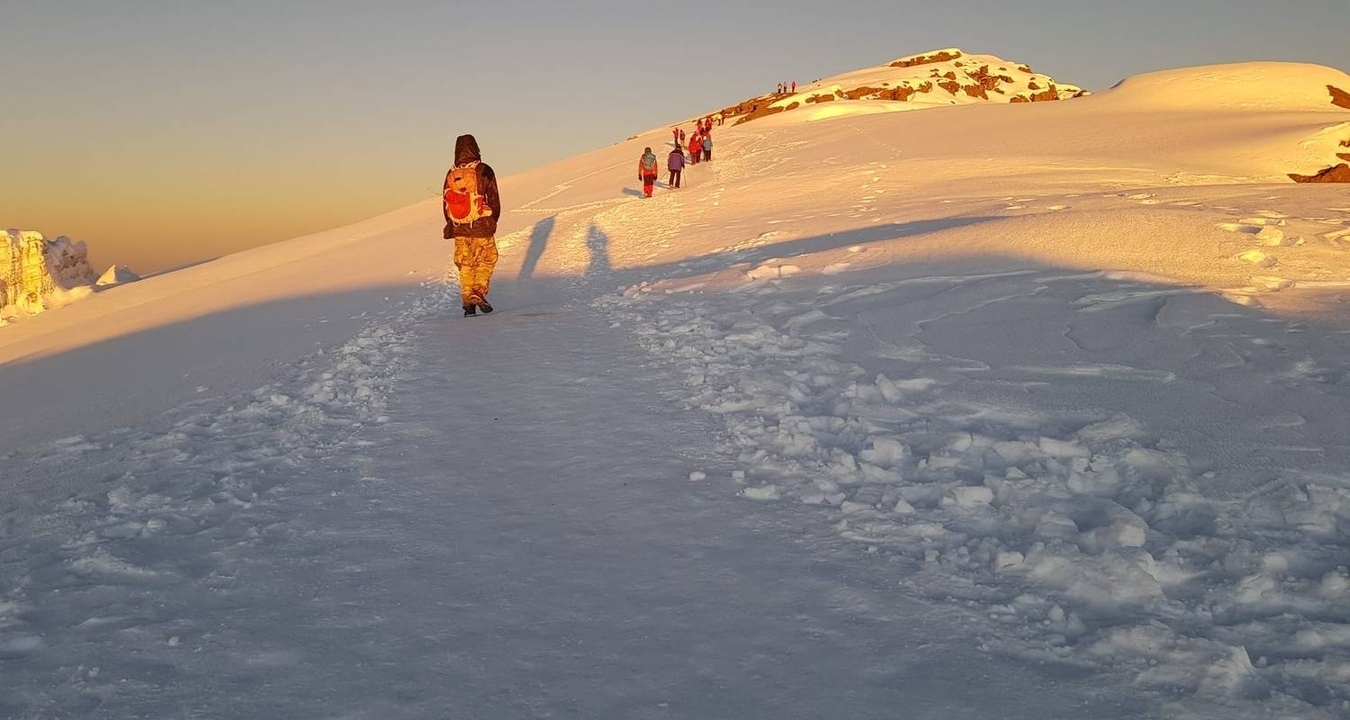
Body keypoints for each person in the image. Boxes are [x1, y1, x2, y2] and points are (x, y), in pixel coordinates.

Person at [442, 134, 501, 317]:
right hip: (482, 224)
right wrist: (492, 221)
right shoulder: (483, 170)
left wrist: (453, 224)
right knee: (488, 258)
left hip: (460, 226)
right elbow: (493, 198)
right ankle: (478, 291)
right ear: (476, 149)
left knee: (466, 264)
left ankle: (468, 303)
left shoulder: (451, 173)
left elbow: (445, 203)